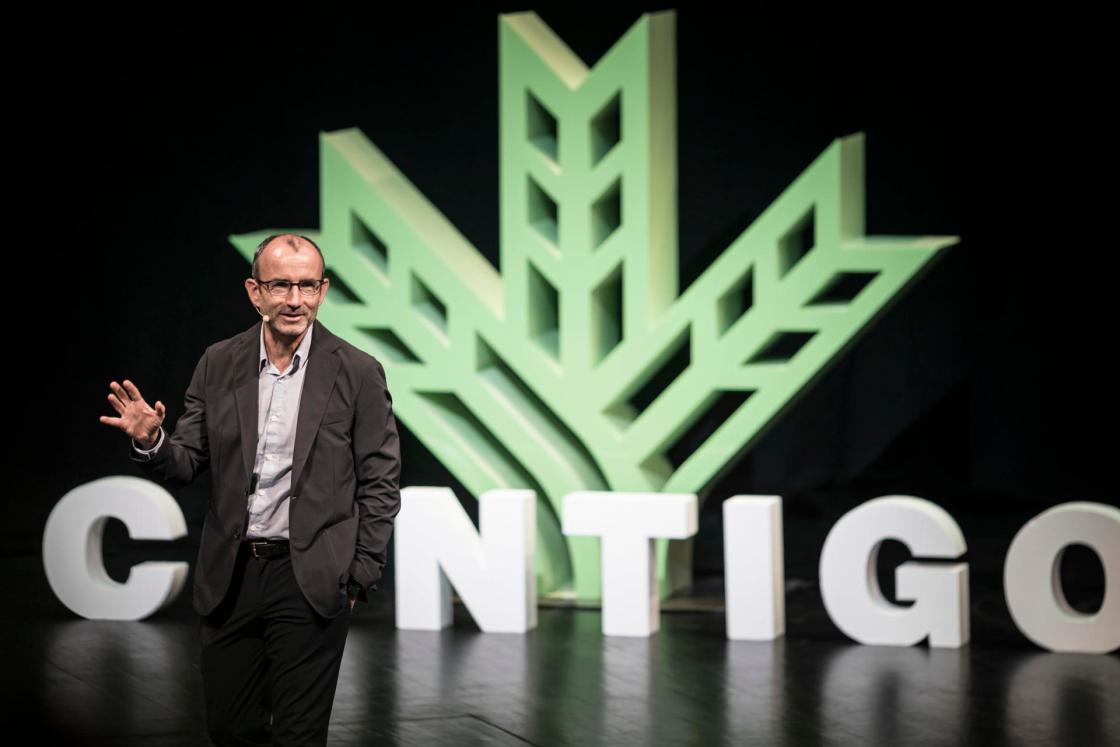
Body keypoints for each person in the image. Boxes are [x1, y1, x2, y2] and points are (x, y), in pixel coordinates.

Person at [100, 233, 402, 745]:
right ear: (254, 291)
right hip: (232, 575)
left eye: (307, 286)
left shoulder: (357, 371)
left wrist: (359, 574)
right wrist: (153, 440)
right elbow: (187, 461)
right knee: (229, 727)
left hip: (310, 576)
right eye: (280, 284)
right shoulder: (219, 363)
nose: (294, 300)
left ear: (323, 291)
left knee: (299, 735)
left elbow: (381, 479)